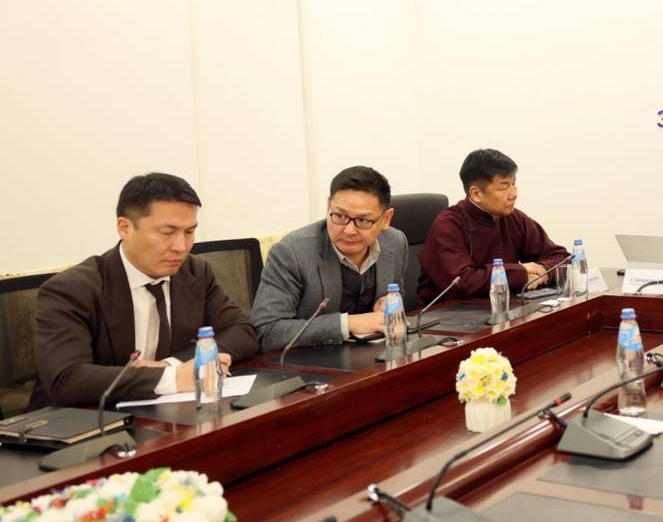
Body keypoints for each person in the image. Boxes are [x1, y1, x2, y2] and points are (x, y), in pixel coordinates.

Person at [33, 173, 257, 408]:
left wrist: (170, 366)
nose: (181, 247)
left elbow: (242, 331)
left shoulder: (195, 272)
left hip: (166, 412)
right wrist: (171, 379)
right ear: (125, 228)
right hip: (84, 419)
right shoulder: (71, 290)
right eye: (167, 232)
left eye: (189, 232)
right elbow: (67, 379)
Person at [252, 166, 408, 351]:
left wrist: (387, 303)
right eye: (339, 216)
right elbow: (266, 330)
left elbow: (396, 298)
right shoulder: (292, 253)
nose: (349, 230)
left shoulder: (395, 242)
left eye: (363, 220)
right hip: (313, 361)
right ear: (328, 207)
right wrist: (348, 324)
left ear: (386, 219)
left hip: (378, 355)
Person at [418, 149, 569, 303]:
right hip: (450, 313)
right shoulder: (448, 225)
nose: (514, 194)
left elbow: (563, 258)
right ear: (476, 194)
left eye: (514, 184)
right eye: (504, 187)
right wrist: (522, 272)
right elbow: (461, 282)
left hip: (503, 306)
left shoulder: (513, 218)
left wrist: (543, 271)